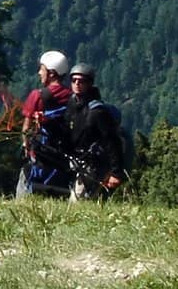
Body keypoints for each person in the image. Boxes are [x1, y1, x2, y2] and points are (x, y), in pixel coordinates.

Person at [15, 50, 73, 197]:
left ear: (52, 73)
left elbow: (26, 129)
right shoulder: (71, 96)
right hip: (63, 157)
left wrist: (25, 145)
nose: (39, 73)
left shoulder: (38, 96)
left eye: (42, 69)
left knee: (27, 180)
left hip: (41, 155)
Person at [65, 62, 125, 198]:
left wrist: (116, 173)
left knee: (77, 203)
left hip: (93, 165)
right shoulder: (72, 105)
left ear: (89, 84)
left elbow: (112, 142)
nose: (77, 84)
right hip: (76, 161)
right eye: (74, 80)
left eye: (82, 81)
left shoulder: (97, 112)